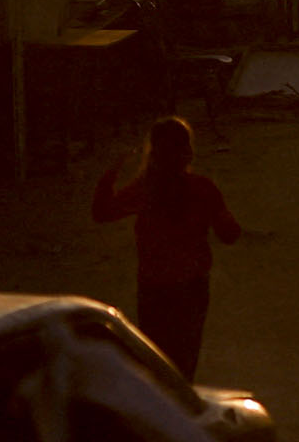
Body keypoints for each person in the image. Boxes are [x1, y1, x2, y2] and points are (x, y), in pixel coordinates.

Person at [91, 116, 240, 380]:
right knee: (184, 362)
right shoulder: (202, 188)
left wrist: (111, 170)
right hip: (191, 286)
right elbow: (230, 234)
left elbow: (102, 213)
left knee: (155, 361)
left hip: (154, 286)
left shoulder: (145, 189)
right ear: (188, 151)